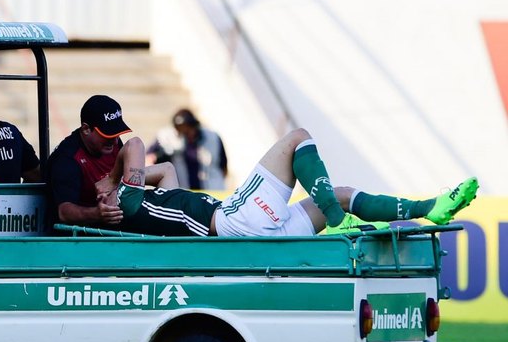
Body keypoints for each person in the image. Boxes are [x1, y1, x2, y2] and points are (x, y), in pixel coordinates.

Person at [96, 129, 478, 237]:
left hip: (257, 229)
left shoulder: (144, 199)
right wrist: (112, 180)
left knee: (342, 195)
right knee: (297, 138)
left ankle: (429, 209)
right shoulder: (125, 202)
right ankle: (338, 219)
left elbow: (162, 170)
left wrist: (118, 183)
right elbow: (134, 144)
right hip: (235, 221)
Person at [47, 94, 132, 226]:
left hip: (114, 221)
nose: (115, 141)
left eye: (117, 133)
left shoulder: (113, 143)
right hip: (79, 235)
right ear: (86, 129)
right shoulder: (67, 158)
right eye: (108, 134)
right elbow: (64, 212)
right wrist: (96, 214)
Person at [147, 108, 228, 190]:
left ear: (195, 125)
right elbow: (149, 159)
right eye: (181, 130)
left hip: (212, 191)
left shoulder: (213, 138)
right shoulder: (165, 138)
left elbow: (224, 168)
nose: (186, 133)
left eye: (188, 129)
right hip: (182, 193)